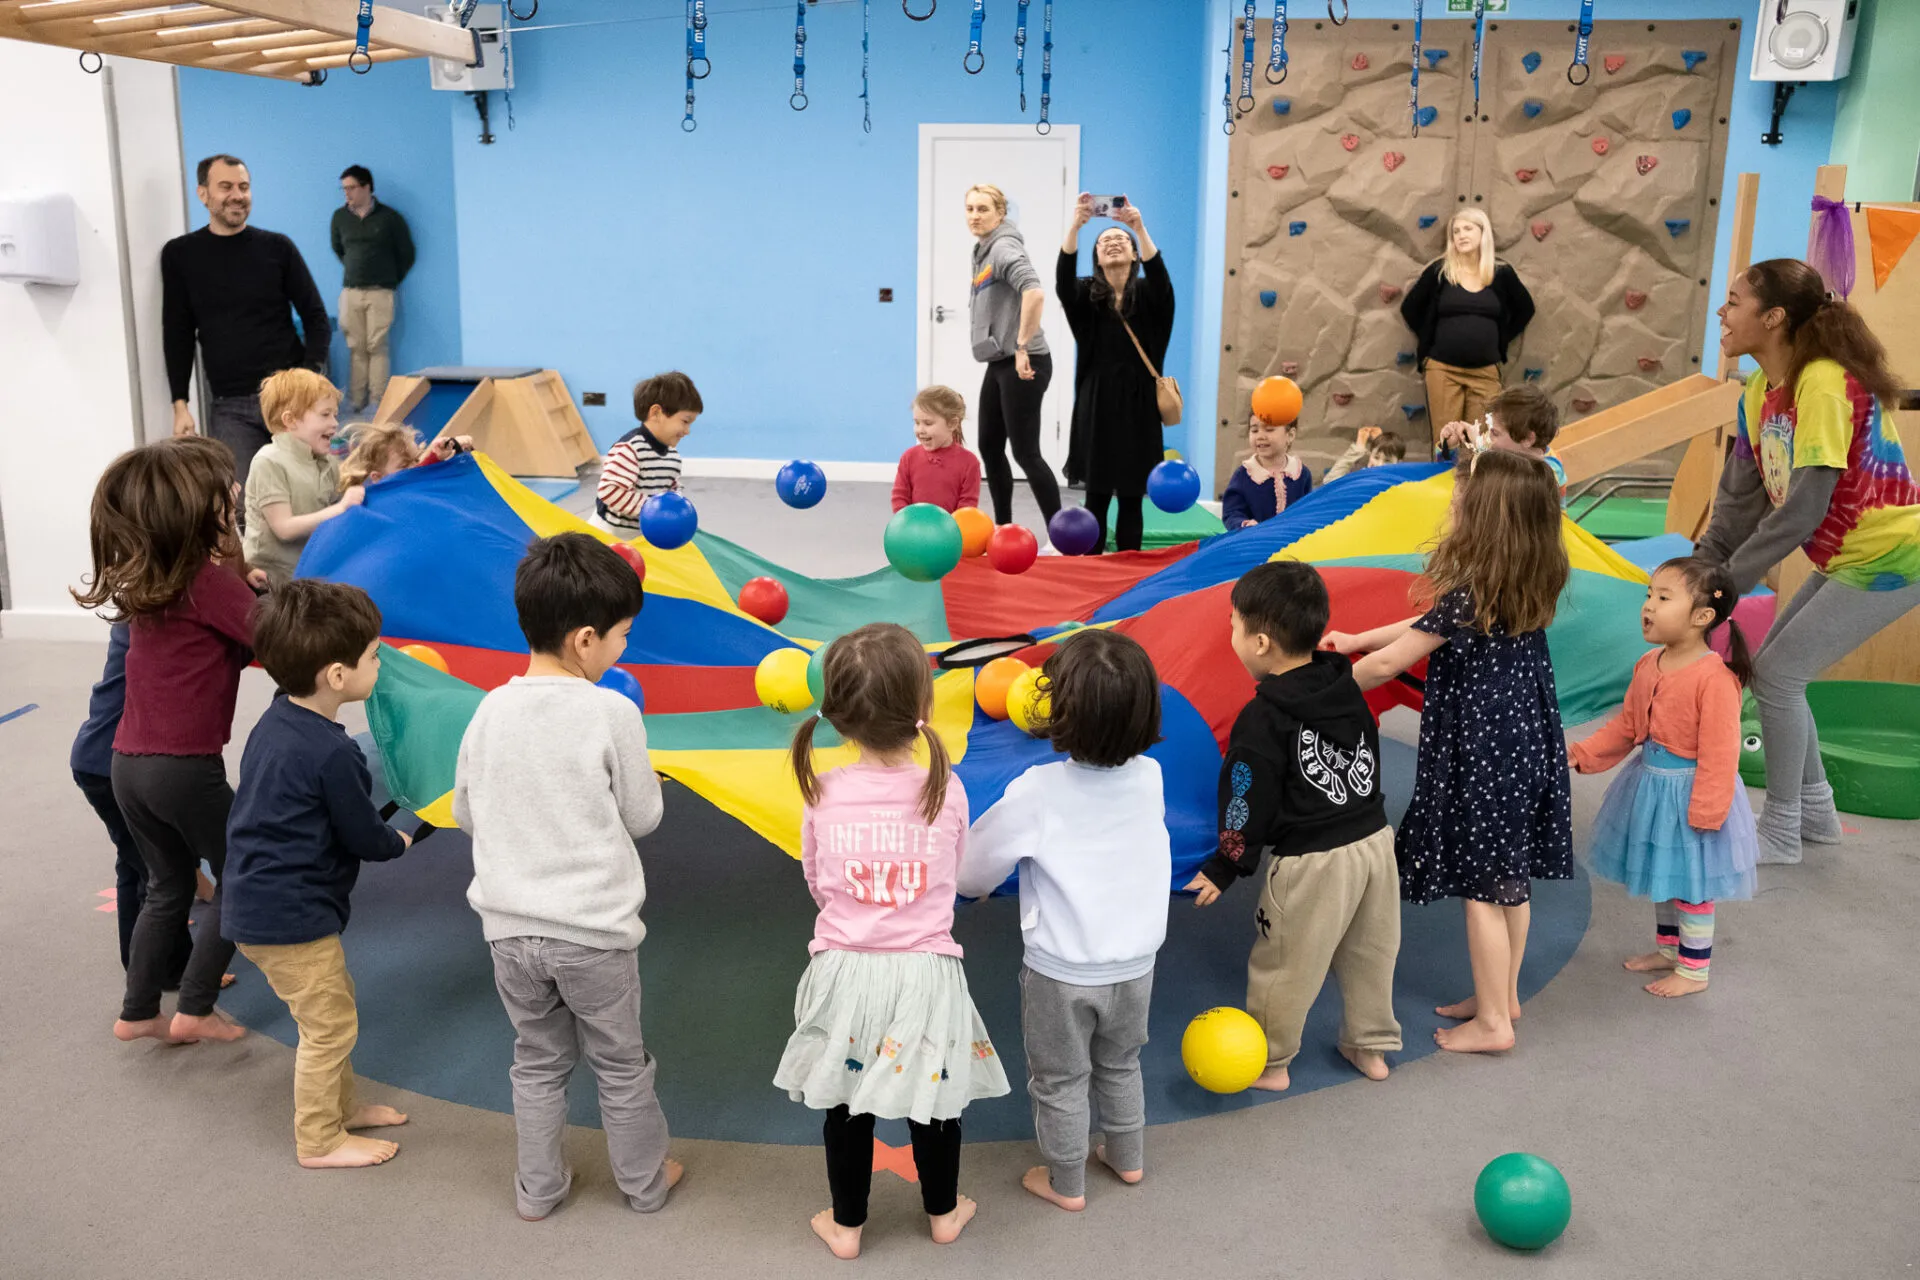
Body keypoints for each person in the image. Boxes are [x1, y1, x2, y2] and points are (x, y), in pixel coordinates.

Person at [453, 532, 681, 1220]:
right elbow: (642, 816)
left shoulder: (490, 708)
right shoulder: (612, 711)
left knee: (537, 1061)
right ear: (586, 640)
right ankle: (644, 1184)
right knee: (620, 1063)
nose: (624, 649)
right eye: (622, 636)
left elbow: (467, 811)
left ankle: (538, 1191)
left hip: (509, 931)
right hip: (592, 934)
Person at [1325, 450, 1573, 1055]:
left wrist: (1321, 688)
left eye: (1460, 501)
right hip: (1525, 748)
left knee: (1484, 892)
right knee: (1510, 881)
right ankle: (1503, 995)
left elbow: (1392, 663)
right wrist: (1356, 638)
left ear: (1485, 520)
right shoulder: (1520, 584)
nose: (1452, 508)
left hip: (1485, 754)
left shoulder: (1474, 594)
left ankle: (1494, 1024)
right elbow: (1421, 628)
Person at [776, 623, 1008, 1260]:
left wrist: (858, 915)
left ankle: (847, 1226)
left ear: (841, 717)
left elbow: (818, 881)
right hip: (925, 973)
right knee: (932, 1099)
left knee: (847, 1103)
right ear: (924, 709)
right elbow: (955, 873)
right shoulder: (946, 788)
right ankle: (942, 1214)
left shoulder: (821, 792)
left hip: (845, 969)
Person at [1695, 258, 1920, 866]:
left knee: (1780, 675)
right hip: (1848, 558)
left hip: (1894, 557)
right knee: (1776, 674)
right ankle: (1816, 815)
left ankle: (1782, 830)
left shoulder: (1821, 381)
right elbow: (1738, 501)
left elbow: (1802, 512)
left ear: (1772, 318)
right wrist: (1700, 567)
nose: (1723, 310)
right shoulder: (1755, 392)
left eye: (1735, 300)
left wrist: (1720, 589)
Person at [959, 630, 1170, 1212]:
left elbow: (973, 871)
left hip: (1061, 971)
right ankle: (1127, 1160)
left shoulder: (1039, 790)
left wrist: (974, 889)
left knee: (1059, 1078)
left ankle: (1066, 1183)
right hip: (1135, 964)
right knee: (1122, 1061)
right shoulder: (1150, 776)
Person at [72, 436, 259, 1047]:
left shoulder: (150, 579)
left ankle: (138, 1011)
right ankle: (196, 1006)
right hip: (184, 769)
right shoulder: (210, 584)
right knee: (244, 871)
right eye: (222, 491)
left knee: (168, 884)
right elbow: (272, 639)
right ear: (199, 510)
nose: (231, 497)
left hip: (128, 764)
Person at [1186, 562, 1402, 1090]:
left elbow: (1245, 798)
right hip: (1374, 842)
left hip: (1312, 862)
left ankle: (1271, 1060)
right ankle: (1371, 1045)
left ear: (1260, 642)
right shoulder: (1342, 679)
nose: (1230, 634)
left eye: (1233, 625)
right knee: (1371, 952)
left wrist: (1225, 865)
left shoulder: (1261, 718)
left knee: (1285, 963)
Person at [223, 580, 414, 1167]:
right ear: (337, 676)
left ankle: (342, 1107)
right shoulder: (333, 752)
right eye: (374, 655)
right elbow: (364, 836)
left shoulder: (279, 719)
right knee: (328, 1028)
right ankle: (319, 1140)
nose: (380, 663)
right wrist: (400, 839)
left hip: (263, 900)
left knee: (333, 1010)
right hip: (288, 915)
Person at [1569, 559, 1759, 998]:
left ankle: (1694, 970)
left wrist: (1709, 811)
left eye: (1663, 597)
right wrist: (1581, 754)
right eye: (1648, 595)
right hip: (1652, 788)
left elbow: (1720, 753)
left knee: (1692, 883)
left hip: (1692, 796)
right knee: (1663, 872)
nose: (1648, 606)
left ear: (1701, 617)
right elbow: (1627, 728)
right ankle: (1670, 949)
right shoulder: (1648, 664)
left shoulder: (1714, 679)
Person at [163, 154, 331, 490]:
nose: (237, 195)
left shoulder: (277, 248)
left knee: (309, 492)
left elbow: (316, 318)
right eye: (225, 187)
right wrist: (180, 405)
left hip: (289, 399)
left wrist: (308, 380)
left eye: (244, 187)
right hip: (230, 404)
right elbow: (177, 332)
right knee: (241, 501)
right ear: (203, 194)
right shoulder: (181, 255)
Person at [71, 624, 193, 978]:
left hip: (96, 759)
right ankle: (173, 967)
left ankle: (137, 958)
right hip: (114, 768)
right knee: (163, 874)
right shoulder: (152, 624)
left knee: (133, 860)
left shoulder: (135, 613)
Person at [1056, 196, 1175, 552]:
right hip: (1097, 403)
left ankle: (1126, 572)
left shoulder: (1150, 296)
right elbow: (1063, 280)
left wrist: (1138, 228)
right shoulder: (1086, 296)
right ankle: (1093, 571)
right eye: (1104, 241)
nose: (1111, 242)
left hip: (1140, 406)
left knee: (1131, 498)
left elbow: (1161, 279)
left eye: (1120, 240)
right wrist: (1076, 227)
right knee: (1096, 498)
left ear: (1135, 254)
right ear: (1096, 258)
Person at [1400, 209, 1535, 456]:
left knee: (1482, 443)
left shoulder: (1501, 273)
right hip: (1442, 370)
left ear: (1483, 233)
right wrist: (1431, 342)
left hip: (1485, 372)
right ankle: (1442, 493)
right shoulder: (1440, 271)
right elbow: (1410, 308)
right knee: (1446, 441)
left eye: (1468, 229)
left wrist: (1499, 340)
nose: (1461, 235)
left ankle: (1474, 494)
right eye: (1456, 231)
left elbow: (1526, 309)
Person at [966, 184, 1061, 529]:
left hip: (1025, 360)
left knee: (1025, 453)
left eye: (983, 209)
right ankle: (1004, 529)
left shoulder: (1003, 248)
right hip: (1000, 361)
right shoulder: (983, 250)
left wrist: (1022, 346)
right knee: (990, 447)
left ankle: (1062, 537)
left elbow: (1034, 293)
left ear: (1001, 214)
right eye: (970, 209)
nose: (974, 216)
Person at [243, 368, 364, 588]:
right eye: (325, 414)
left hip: (309, 575)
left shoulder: (326, 461)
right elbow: (284, 528)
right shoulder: (269, 461)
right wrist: (341, 508)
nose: (335, 423)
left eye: (335, 415)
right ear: (290, 420)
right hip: (272, 584)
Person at [331, 165, 416, 417]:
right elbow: (338, 249)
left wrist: (389, 278)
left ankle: (377, 400)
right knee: (355, 347)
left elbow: (407, 253)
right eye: (344, 189)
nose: (347, 193)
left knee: (376, 346)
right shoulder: (339, 217)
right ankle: (355, 400)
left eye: (352, 188)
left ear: (367, 187)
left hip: (381, 291)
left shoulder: (390, 218)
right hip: (351, 290)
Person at [596, 371, 702, 535]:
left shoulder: (672, 456)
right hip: (615, 534)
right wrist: (654, 509)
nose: (687, 431)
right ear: (656, 413)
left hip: (647, 534)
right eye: (685, 421)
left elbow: (672, 490)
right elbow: (609, 491)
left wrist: (677, 509)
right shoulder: (630, 449)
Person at [1437, 384, 1566, 488]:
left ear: (1527, 439)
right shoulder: (1503, 453)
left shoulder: (1549, 471)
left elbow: (1505, 479)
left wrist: (1478, 446)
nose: (1488, 439)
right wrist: (1450, 446)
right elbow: (1453, 474)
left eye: (1495, 433)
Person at [892, 385, 982, 513]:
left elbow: (967, 505)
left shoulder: (969, 463)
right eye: (917, 423)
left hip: (950, 530)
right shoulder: (909, 457)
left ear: (952, 424)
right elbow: (899, 496)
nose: (920, 430)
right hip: (913, 528)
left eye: (928, 423)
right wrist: (906, 521)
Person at [1222, 413, 1313, 529]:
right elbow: (1231, 513)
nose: (1260, 436)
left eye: (1269, 429)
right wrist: (1244, 524)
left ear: (1290, 435)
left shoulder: (1301, 473)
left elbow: (1308, 510)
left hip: (1293, 542)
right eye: (1254, 430)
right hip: (1256, 542)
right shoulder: (1243, 475)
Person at [338, 421, 472, 489]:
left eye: (416, 460)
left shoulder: (410, 479)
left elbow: (418, 472)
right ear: (378, 477)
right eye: (403, 466)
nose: (414, 468)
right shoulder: (378, 501)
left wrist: (436, 455)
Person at [1325, 427, 1406, 482]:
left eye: (1387, 461)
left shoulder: (1400, 482)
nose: (1379, 465)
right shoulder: (1360, 476)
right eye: (1376, 457)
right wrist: (1358, 448)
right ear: (1370, 456)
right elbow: (1329, 481)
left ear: (1399, 463)